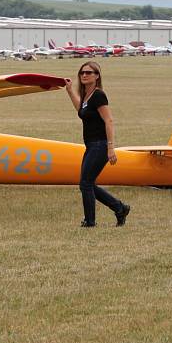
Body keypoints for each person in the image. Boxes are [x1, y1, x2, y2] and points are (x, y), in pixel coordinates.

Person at [64, 61, 130, 227]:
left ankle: (90, 221)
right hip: (91, 145)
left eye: (89, 72)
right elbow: (81, 111)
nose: (84, 75)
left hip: (100, 145)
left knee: (85, 184)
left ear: (97, 76)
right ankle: (119, 207)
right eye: (82, 73)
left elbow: (109, 120)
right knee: (88, 183)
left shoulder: (99, 95)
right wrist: (70, 91)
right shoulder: (87, 96)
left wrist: (110, 147)